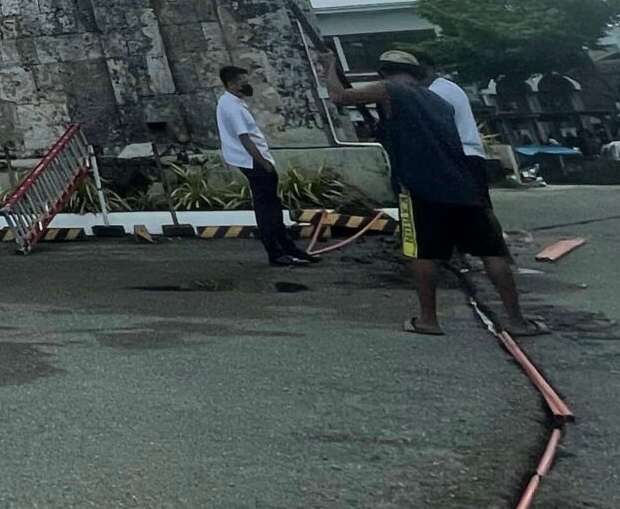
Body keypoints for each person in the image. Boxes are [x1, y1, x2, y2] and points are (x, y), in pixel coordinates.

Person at [324, 54, 544, 337]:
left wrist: (328, 66)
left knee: (422, 253)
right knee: (492, 251)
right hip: (463, 187)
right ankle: (517, 320)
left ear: (385, 73)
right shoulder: (438, 103)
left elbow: (340, 97)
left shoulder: (390, 90)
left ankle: (428, 319)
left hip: (420, 188)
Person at [215, 64, 313, 268]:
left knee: (272, 207)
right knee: (268, 210)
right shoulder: (232, 107)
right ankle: (277, 253)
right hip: (253, 162)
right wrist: (263, 163)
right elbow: (245, 138)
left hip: (252, 160)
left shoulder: (230, 102)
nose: (247, 86)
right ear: (232, 84)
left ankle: (289, 249)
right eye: (243, 83)